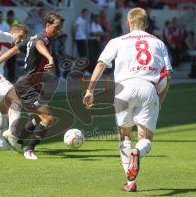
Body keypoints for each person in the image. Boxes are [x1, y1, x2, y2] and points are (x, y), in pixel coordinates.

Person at [83, 7, 172, 192]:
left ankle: (130, 181)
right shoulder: (158, 43)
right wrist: (160, 99)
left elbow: (101, 64)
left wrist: (90, 90)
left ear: (128, 23)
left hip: (123, 90)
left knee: (124, 136)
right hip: (148, 87)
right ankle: (138, 152)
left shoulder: (117, 41)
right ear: (147, 24)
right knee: (145, 139)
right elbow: (168, 75)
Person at [0, 12, 64, 160]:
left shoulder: (31, 39)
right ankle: (29, 150)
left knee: (38, 119)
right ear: (47, 25)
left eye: (60, 28)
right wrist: (50, 57)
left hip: (32, 85)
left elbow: (13, 50)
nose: (58, 31)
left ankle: (18, 142)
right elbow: (40, 45)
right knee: (47, 118)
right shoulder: (41, 38)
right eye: (56, 27)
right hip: (27, 86)